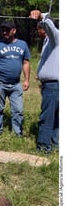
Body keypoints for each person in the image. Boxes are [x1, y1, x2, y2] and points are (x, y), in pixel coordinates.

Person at [0, 20, 30, 137]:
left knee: (18, 110)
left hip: (16, 84)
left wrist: (26, 80)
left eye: (7, 30)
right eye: (3, 30)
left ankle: (17, 133)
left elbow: (26, 62)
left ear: (14, 31)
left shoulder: (22, 44)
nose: (4, 32)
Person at [29, 10, 59, 154]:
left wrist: (42, 16)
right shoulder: (50, 43)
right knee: (56, 116)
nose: (39, 32)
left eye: (40, 28)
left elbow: (50, 27)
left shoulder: (56, 37)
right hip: (52, 84)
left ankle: (43, 147)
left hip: (54, 86)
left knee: (47, 116)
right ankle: (55, 144)